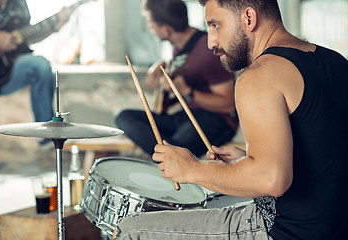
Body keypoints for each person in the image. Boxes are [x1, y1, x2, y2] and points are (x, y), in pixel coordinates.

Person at [113, 0, 348, 239]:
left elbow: (271, 179)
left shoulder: (259, 75)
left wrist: (192, 169)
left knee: (130, 230)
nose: (210, 41)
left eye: (215, 25)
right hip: (335, 227)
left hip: (285, 230)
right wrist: (248, 161)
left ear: (248, 18)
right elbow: (325, 156)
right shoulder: (336, 62)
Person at [115, 0, 238, 159]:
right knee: (124, 117)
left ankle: (170, 155)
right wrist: (163, 65)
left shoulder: (208, 52)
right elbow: (189, 66)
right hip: (186, 117)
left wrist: (187, 91)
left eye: (151, 24)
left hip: (216, 121)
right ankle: (170, 152)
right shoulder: (179, 47)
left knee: (173, 152)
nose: (151, 28)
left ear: (166, 30)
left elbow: (228, 105)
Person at [0, 0, 72, 224]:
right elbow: (1, 39)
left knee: (40, 66)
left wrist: (55, 25)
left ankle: (47, 133)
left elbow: (23, 37)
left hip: (7, 68)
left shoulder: (18, 3)